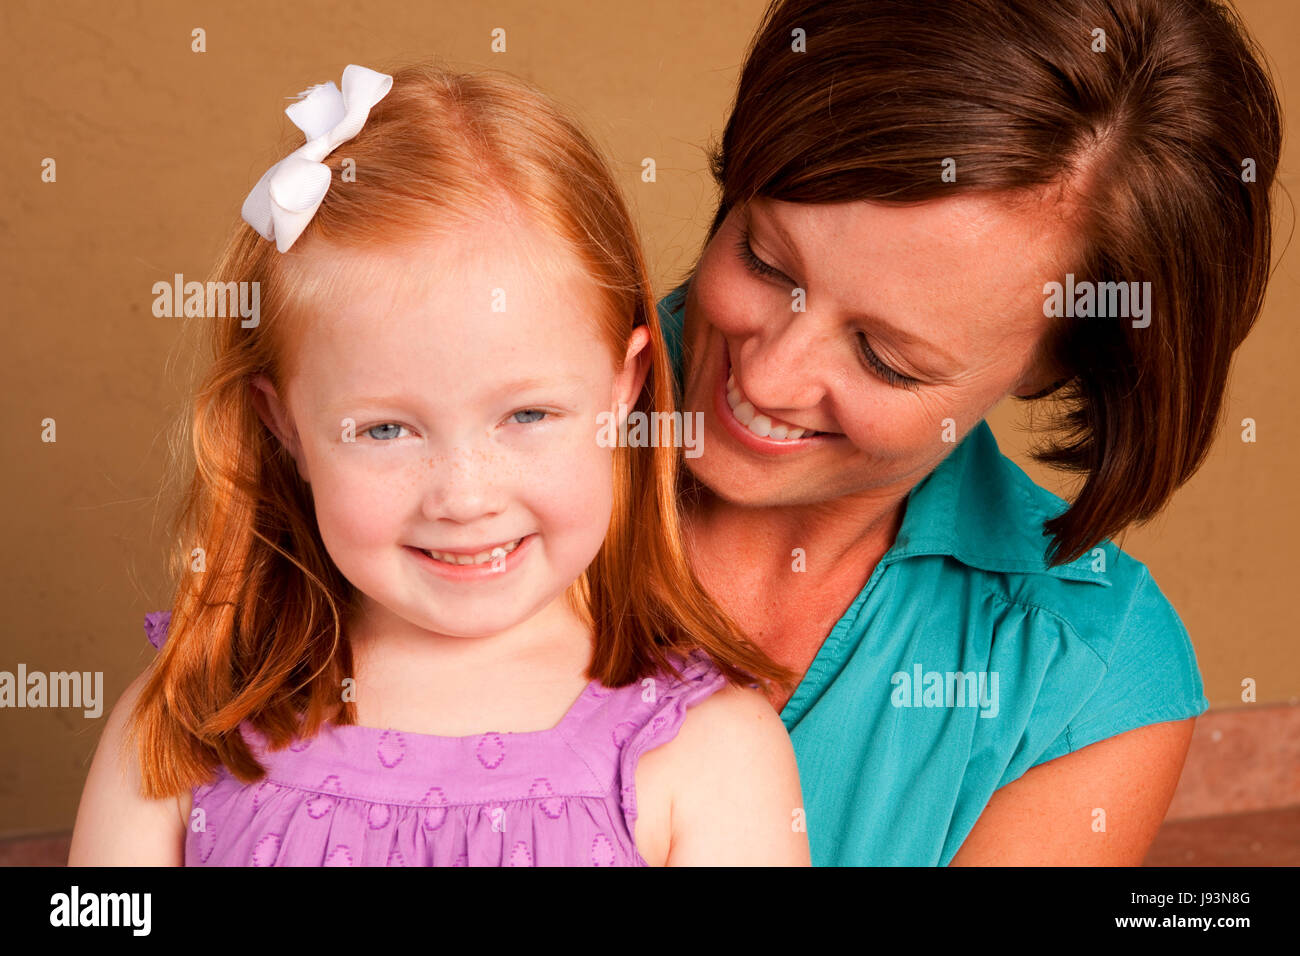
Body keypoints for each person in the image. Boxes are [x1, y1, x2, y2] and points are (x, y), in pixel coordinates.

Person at [69, 62, 809, 867]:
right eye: (386, 430)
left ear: (621, 392)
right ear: (283, 427)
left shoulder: (708, 752)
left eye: (527, 415)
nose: (463, 496)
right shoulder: (187, 722)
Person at [658, 0, 1281, 865]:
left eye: (885, 358)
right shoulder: (472, 418)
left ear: (1057, 363)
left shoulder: (1082, 680)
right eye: (765, 262)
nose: (767, 377)